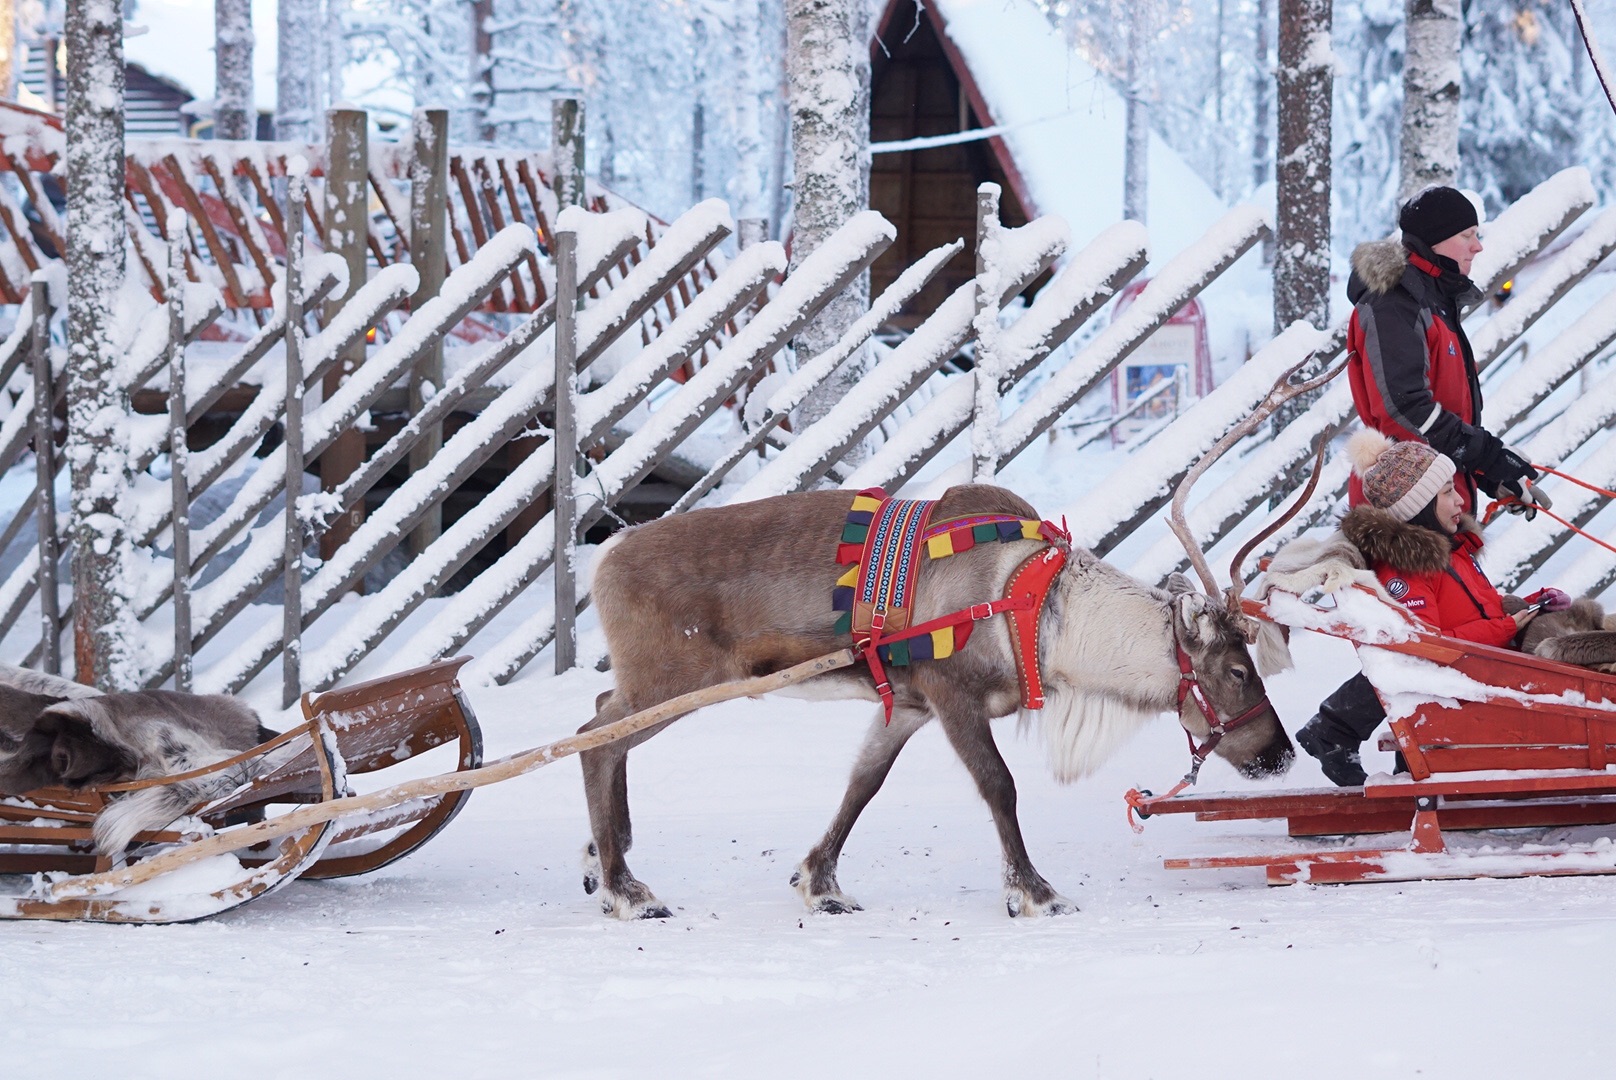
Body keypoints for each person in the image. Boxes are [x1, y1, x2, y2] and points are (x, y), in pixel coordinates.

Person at [1294, 431, 1570, 786]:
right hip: (1453, 680)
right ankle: (1335, 729)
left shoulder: (1452, 550)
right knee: (1404, 662)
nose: (1460, 502)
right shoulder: (1409, 568)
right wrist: (1503, 628)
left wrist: (1534, 603)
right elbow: (1425, 646)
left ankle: (1387, 749)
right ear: (1418, 506)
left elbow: (1475, 610)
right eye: (1447, 493)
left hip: (1467, 673)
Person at [1344, 185, 1549, 517]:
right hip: (1405, 510)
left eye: (1477, 234)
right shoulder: (1395, 304)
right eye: (1466, 235)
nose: (1477, 246)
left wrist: (1489, 474)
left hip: (1438, 502)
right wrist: (1487, 455)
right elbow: (1405, 409)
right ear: (1433, 240)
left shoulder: (1434, 302)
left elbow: (1443, 418)